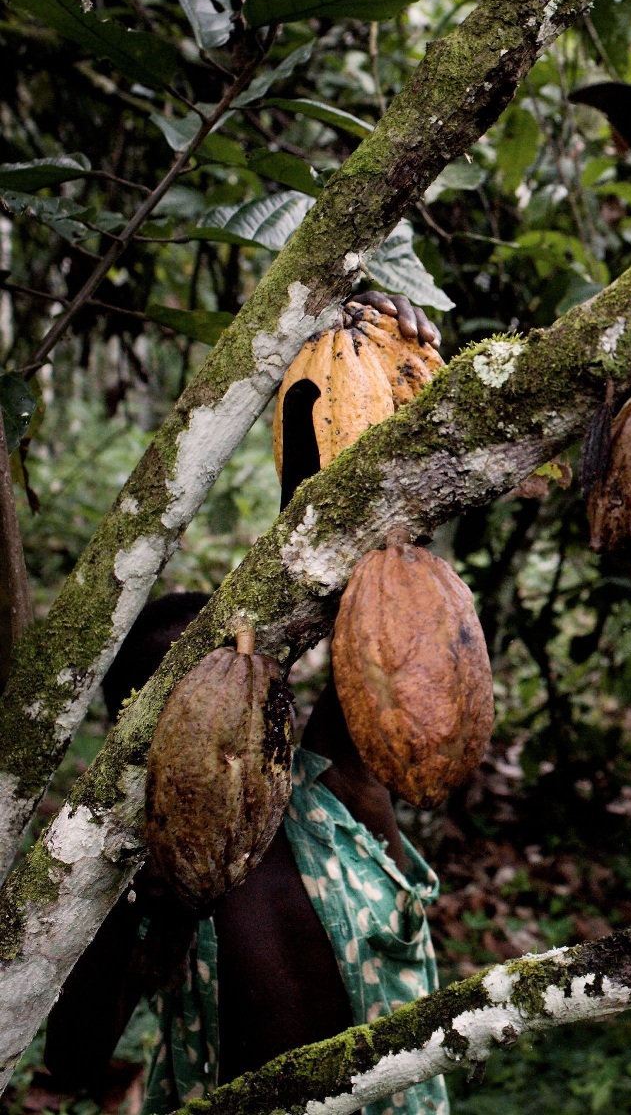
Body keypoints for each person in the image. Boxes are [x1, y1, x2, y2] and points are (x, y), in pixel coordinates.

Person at [40, 294, 451, 1115]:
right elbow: (75, 1058)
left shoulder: (338, 792)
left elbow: (378, 594)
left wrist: (343, 372)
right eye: (189, 703)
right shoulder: (149, 876)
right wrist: (138, 911)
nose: (227, 716)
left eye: (247, 688)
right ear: (139, 735)